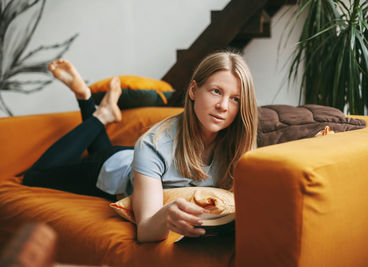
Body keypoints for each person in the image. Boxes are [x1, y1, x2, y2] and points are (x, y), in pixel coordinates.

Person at [23, 51, 258, 242]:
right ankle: (94, 109)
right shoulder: (155, 145)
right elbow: (146, 230)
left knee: (103, 148)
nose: (223, 106)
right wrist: (166, 215)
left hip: (133, 159)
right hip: (110, 168)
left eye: (235, 98)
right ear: (194, 90)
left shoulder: (239, 145)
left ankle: (100, 110)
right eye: (216, 91)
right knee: (32, 178)